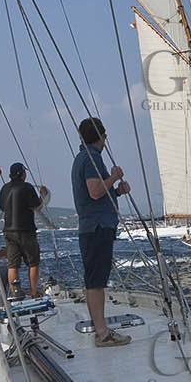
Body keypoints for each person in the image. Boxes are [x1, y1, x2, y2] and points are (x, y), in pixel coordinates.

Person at [71, 118, 131, 347]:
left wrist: (116, 191)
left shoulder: (82, 158)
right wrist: (115, 176)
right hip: (97, 227)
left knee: (94, 280)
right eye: (105, 137)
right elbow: (95, 191)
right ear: (101, 136)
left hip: (92, 227)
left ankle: (101, 330)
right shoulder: (91, 157)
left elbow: (96, 193)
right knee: (96, 282)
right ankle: (102, 333)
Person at [0, 162, 49, 300]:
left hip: (8, 231)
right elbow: (37, 207)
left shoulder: (4, 188)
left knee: (12, 264)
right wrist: (43, 196)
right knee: (33, 263)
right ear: (22, 173)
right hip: (25, 230)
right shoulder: (27, 187)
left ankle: (15, 294)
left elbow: (2, 208)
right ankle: (34, 292)